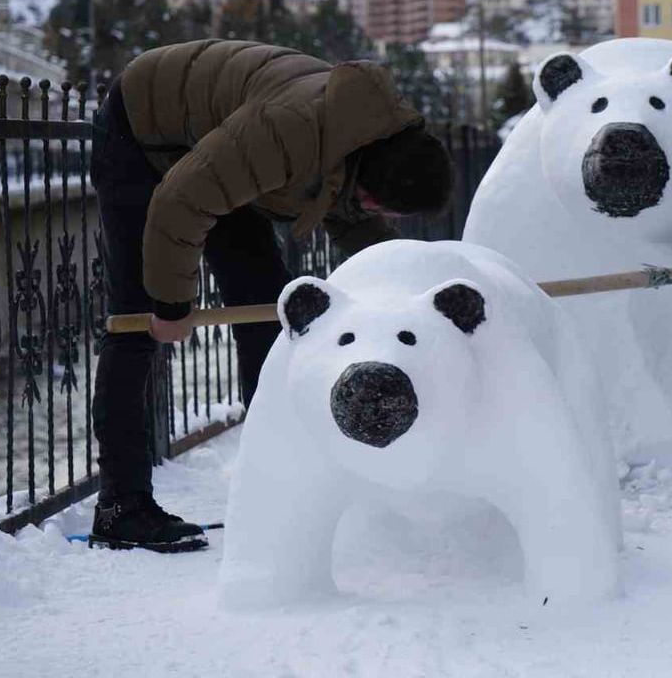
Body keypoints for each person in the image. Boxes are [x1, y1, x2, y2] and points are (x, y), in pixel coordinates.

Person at [88, 40, 454, 552]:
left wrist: (405, 296)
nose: (383, 217)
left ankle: (277, 483)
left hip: (210, 150)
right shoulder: (294, 130)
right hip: (143, 135)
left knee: (266, 306)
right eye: (389, 210)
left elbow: (359, 231)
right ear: (373, 187)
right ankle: (121, 507)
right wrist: (170, 304)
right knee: (135, 322)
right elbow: (180, 201)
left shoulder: (361, 140)